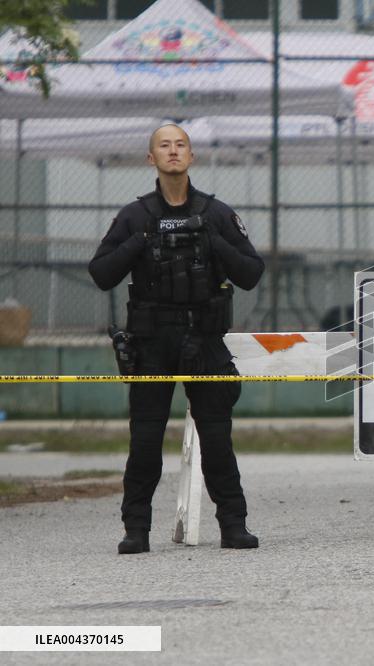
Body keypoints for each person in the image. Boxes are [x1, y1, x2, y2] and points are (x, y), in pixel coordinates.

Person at [89, 124, 265, 554]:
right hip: (152, 343)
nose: (173, 151)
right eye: (164, 146)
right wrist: (140, 240)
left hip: (204, 339)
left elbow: (251, 273)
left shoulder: (216, 213)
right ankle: (136, 530)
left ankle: (234, 526)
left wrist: (213, 240)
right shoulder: (135, 216)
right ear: (151, 158)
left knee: (217, 440)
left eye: (180, 145)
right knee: (145, 442)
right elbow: (102, 273)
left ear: (192, 156)